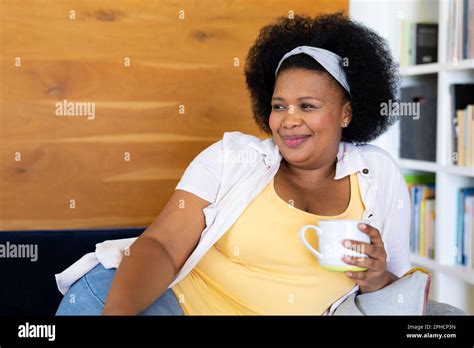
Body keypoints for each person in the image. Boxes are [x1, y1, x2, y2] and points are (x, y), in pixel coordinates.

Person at [56, 12, 410, 316]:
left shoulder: (378, 175)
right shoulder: (233, 158)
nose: (288, 120)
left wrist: (377, 278)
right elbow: (162, 244)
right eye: (279, 105)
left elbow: (395, 288)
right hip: (166, 303)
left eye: (307, 106)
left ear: (346, 113)